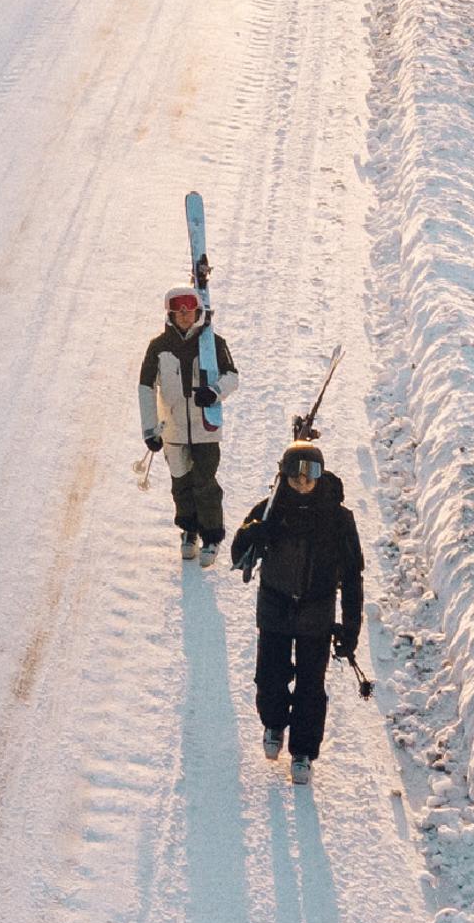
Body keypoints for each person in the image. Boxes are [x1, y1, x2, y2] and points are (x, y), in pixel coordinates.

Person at [227, 441, 362, 783]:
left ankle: (302, 751)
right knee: (269, 678)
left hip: (316, 613)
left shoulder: (338, 519)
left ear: (321, 475)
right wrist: (252, 533)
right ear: (283, 475)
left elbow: (351, 576)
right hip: (274, 606)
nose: (303, 483)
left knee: (310, 687)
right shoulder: (270, 509)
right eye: (295, 475)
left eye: (311, 475)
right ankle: (273, 724)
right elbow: (237, 553)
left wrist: (350, 627)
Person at [136, 286, 237, 560]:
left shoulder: (213, 343)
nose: (184, 316)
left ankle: (211, 536)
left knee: (205, 483)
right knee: (180, 483)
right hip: (173, 430)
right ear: (170, 313)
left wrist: (214, 391)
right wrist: (150, 429)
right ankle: (189, 531)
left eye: (189, 310)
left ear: (198, 311)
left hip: (206, 429)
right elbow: (146, 388)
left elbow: (232, 376)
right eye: (178, 310)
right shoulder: (159, 347)